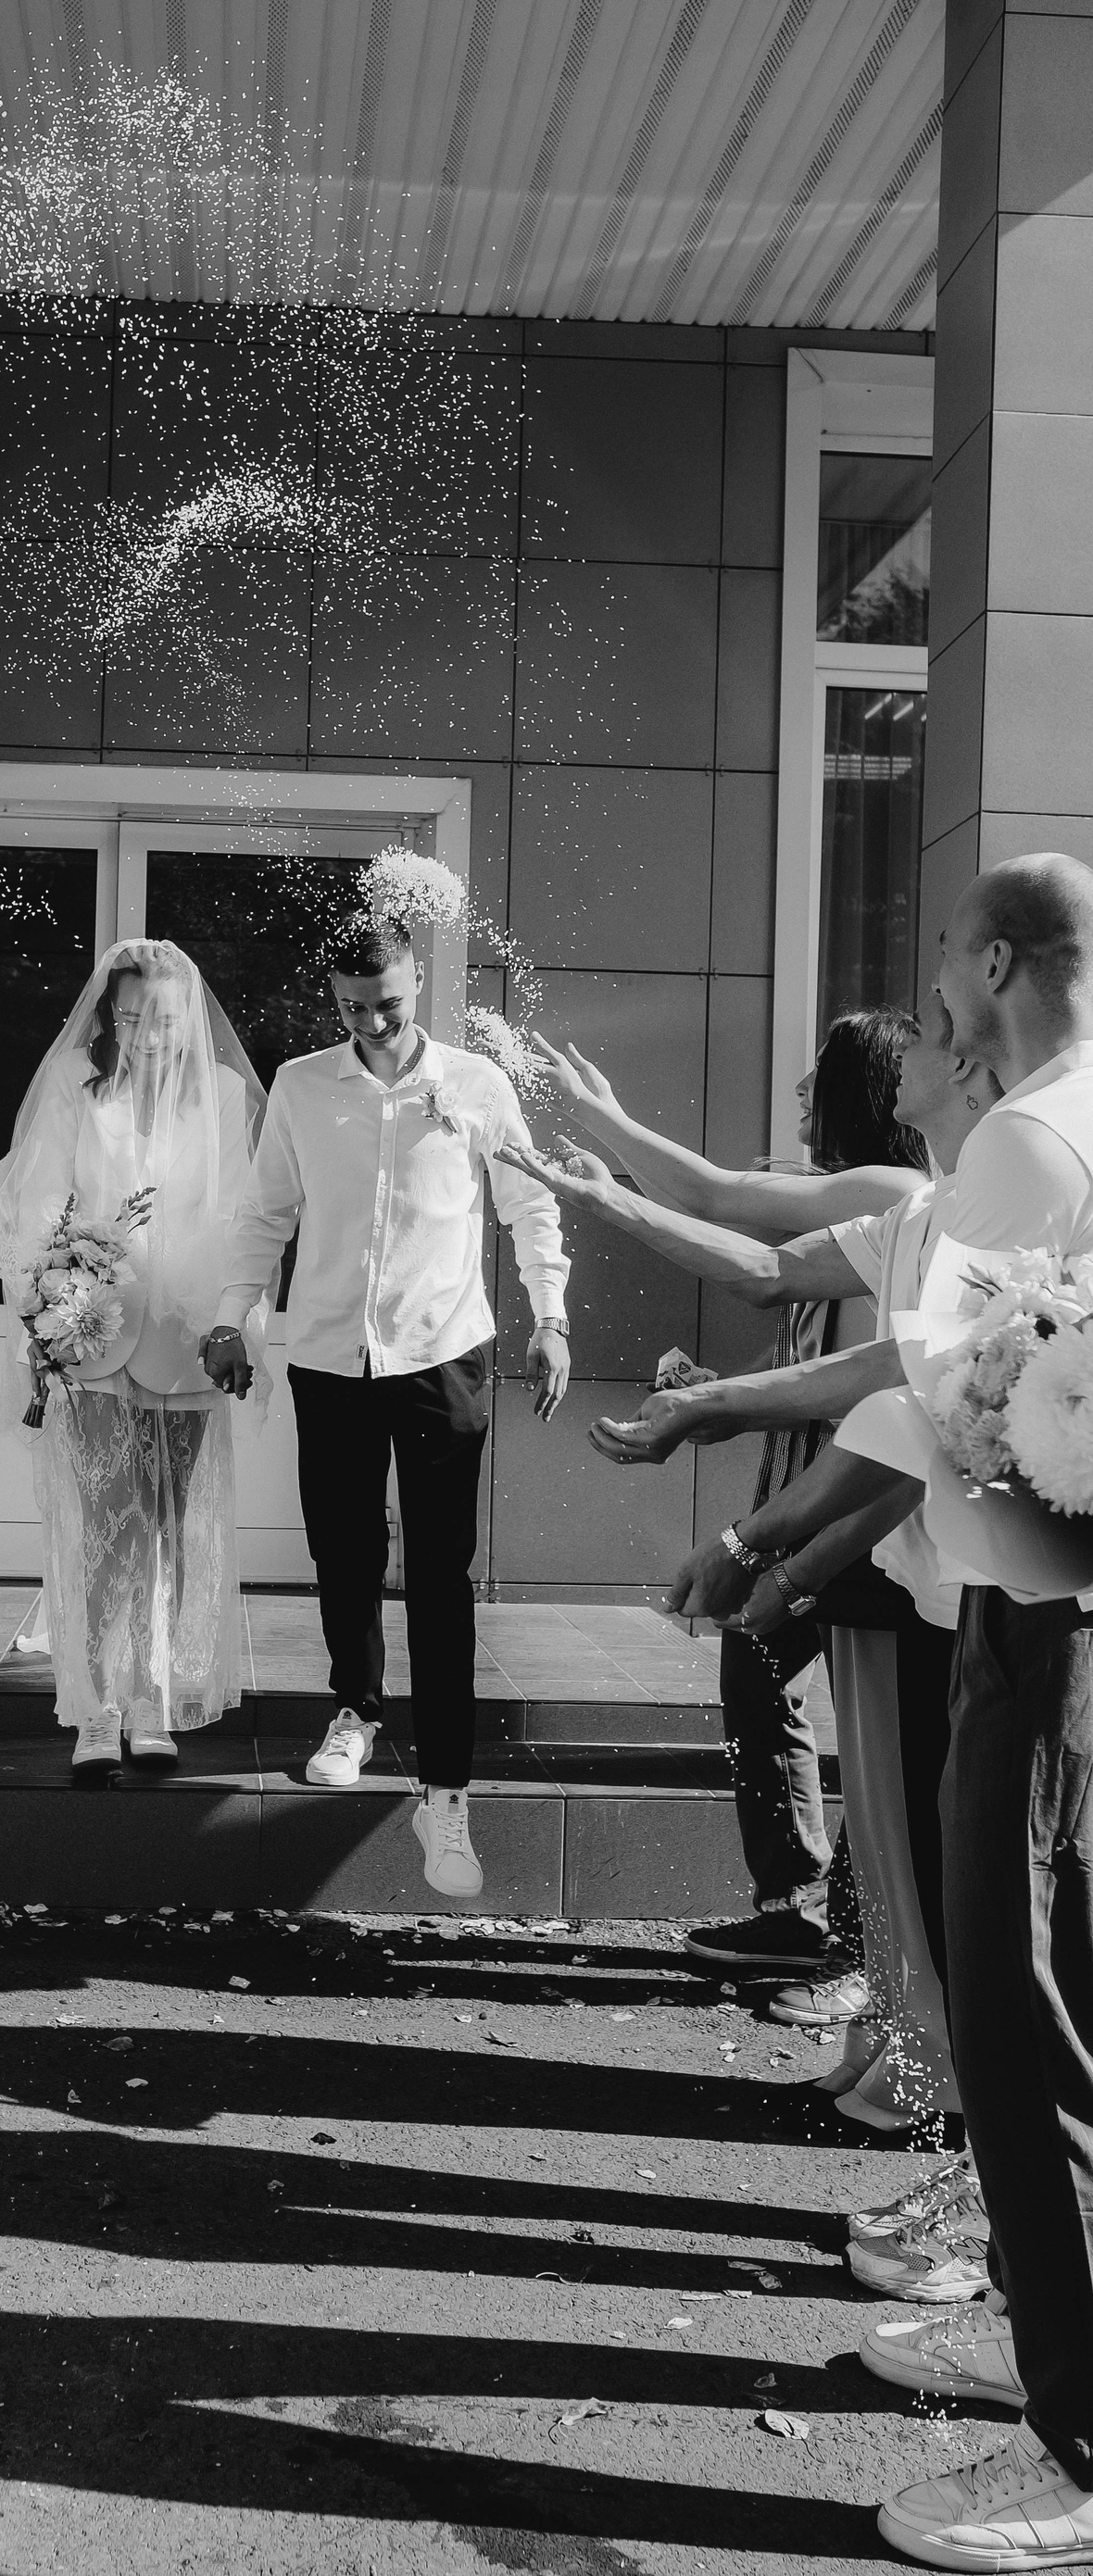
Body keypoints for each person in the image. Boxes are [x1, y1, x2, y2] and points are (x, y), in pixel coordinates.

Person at [657, 855, 1093, 2566]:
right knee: (1041, 1998)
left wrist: (756, 1531)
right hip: (1046, 1603)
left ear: (998, 965)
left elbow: (926, 1391)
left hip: (1037, 1618)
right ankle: (1047, 2339)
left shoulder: (1030, 1140)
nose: (933, 1005)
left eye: (945, 969)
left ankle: (1076, 2441)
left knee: (1018, 2006)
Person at [504, 988, 997, 2149]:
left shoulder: (923, 1196)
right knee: (888, 1812)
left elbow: (887, 1374)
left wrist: (767, 1538)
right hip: (891, 1548)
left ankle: (933, 2069)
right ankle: (902, 2030)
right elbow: (757, 1253)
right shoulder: (917, 1207)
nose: (912, 1053)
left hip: (922, 1550)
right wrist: (607, 1179)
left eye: (935, 1033)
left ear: (971, 1073)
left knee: (925, 1832)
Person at [528, 1007, 929, 1980]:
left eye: (819, 1071)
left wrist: (604, 1129)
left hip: (864, 1495)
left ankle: (853, 1952)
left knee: (876, 1738)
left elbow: (727, 1209)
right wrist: (717, 1393)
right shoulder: (864, 1205)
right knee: (761, 1667)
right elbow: (787, 1312)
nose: (800, 1088)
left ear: (863, 1089)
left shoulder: (896, 1190)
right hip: (811, 1476)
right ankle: (799, 1912)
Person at [203, 915, 571, 1898]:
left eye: (389, 1005)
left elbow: (529, 1204)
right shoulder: (300, 1086)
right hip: (330, 1354)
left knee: (441, 1572)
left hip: (443, 1352)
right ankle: (356, 1712)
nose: (371, 1022)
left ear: (417, 983)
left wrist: (551, 1315)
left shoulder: (476, 1085)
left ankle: (447, 1788)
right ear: (334, 997)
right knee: (345, 1548)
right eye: (353, 1007)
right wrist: (233, 1317)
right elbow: (264, 1214)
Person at [0, 940, 268, 1773]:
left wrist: (234, 1325)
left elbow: (240, 1218)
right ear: (112, 1014)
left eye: (166, 1020)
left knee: (170, 1529)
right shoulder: (79, 1088)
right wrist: (53, 1298)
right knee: (107, 1526)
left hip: (188, 1339)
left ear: (190, 1021)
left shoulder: (223, 1095)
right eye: (133, 1016)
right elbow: (36, 1204)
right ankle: (99, 1708)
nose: (149, 1036)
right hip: (93, 1331)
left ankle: (153, 1700)